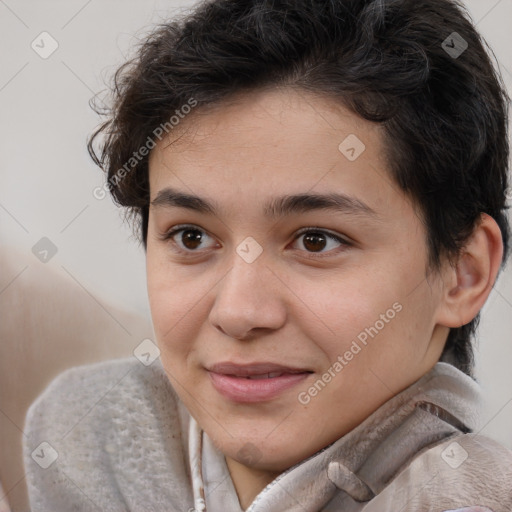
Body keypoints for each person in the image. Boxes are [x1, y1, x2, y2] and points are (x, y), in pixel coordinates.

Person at [22, 0, 512, 510]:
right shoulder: (77, 441)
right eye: (191, 237)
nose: (238, 312)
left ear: (463, 273)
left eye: (315, 240)